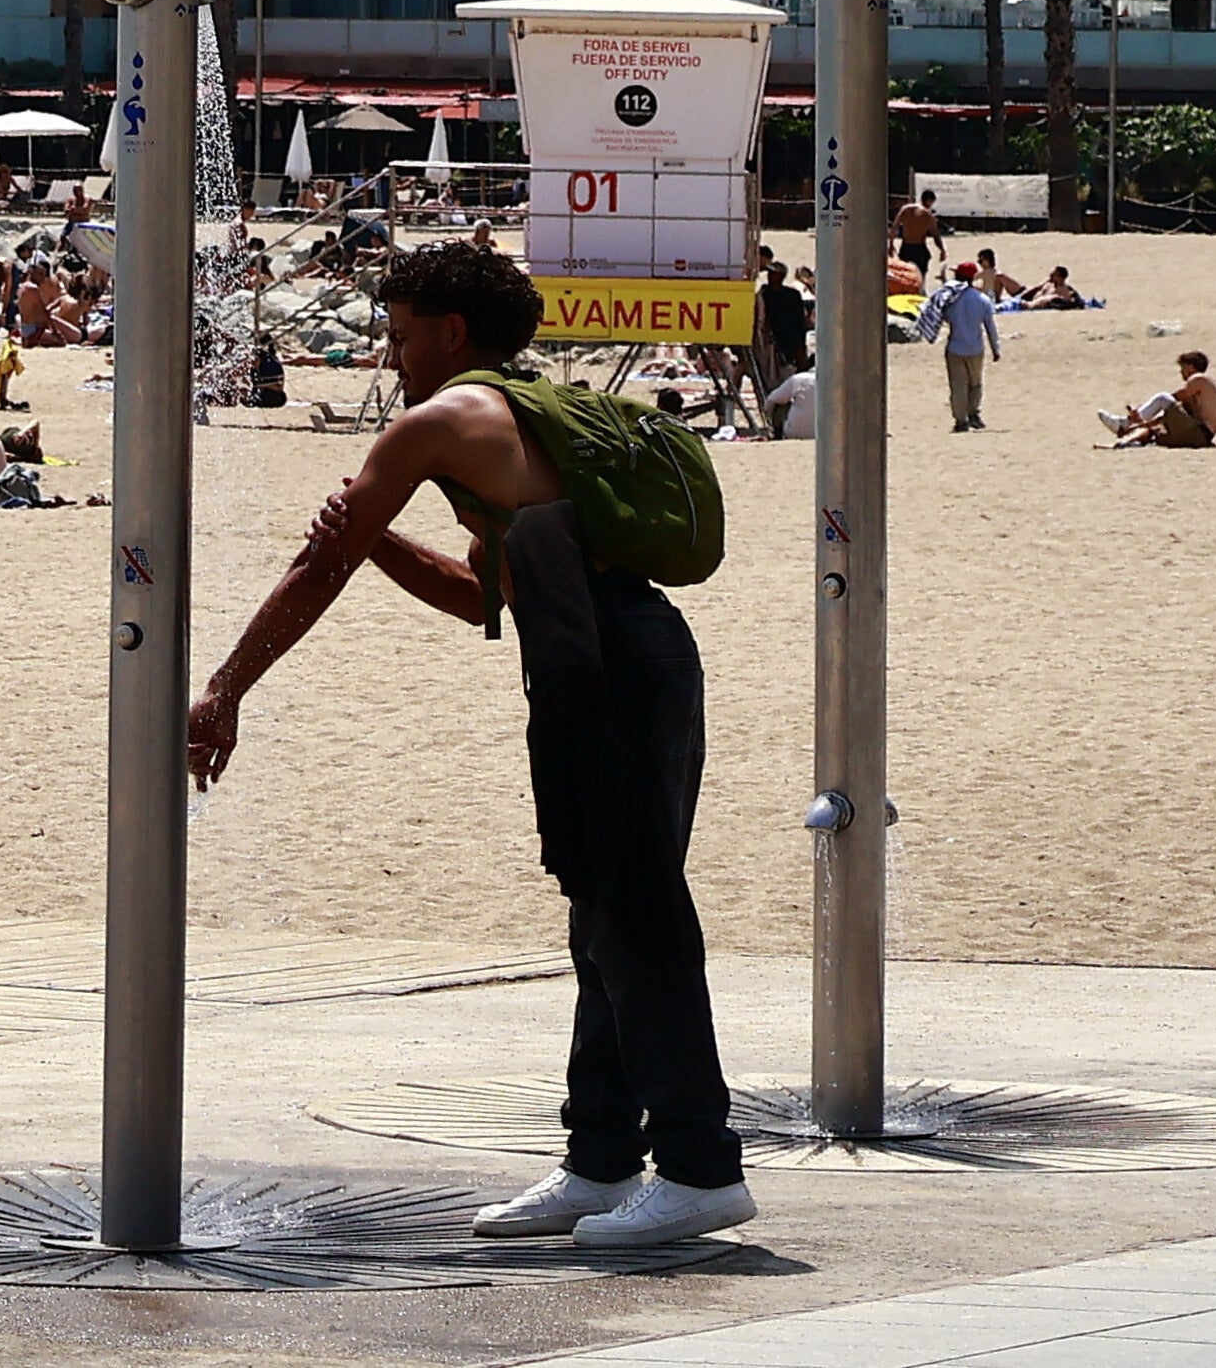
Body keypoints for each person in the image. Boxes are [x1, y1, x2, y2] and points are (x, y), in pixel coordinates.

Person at [186, 242, 755, 1248]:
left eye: (400, 334)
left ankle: (703, 1169)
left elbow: (318, 562)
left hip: (606, 670)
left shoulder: (440, 419)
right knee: (605, 913)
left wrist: (226, 687)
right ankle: (600, 1159)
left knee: (636, 916)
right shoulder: (529, 416)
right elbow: (480, 593)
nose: (392, 354)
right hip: (634, 653)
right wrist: (389, 547)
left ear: (450, 332)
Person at [1098, 351, 1216, 448]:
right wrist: (1138, 425)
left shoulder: (1198, 379)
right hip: (1200, 437)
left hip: (1199, 433)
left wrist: (1136, 418)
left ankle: (1125, 424)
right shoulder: (1198, 395)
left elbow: (1172, 398)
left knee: (1162, 397)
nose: (1181, 372)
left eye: (1183, 368)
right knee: (1152, 430)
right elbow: (1165, 416)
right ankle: (1124, 441)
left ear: (1191, 367)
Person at [931, 261, 1000, 433]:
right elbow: (990, 326)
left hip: (955, 347)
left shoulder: (951, 299)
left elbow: (943, 317)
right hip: (976, 348)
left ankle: (961, 420)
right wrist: (995, 348)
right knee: (975, 383)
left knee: (958, 386)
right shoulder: (982, 299)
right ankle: (974, 413)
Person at [759, 261, 809, 377]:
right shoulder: (765, 293)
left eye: (773, 273)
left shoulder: (791, 294)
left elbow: (799, 318)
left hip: (790, 337)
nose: (770, 276)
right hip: (771, 338)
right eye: (769, 273)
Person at [891, 189, 944, 281]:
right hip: (919, 248)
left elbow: (894, 227)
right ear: (929, 201)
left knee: (905, 275)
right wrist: (942, 250)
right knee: (920, 275)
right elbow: (936, 235)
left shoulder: (905, 209)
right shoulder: (927, 215)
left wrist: (891, 244)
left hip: (906, 247)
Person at [764, 356, 815, 440]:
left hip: (794, 432)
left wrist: (768, 418)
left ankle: (777, 434)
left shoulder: (798, 379)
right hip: (829, 432)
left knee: (781, 403)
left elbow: (771, 400)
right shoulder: (838, 381)